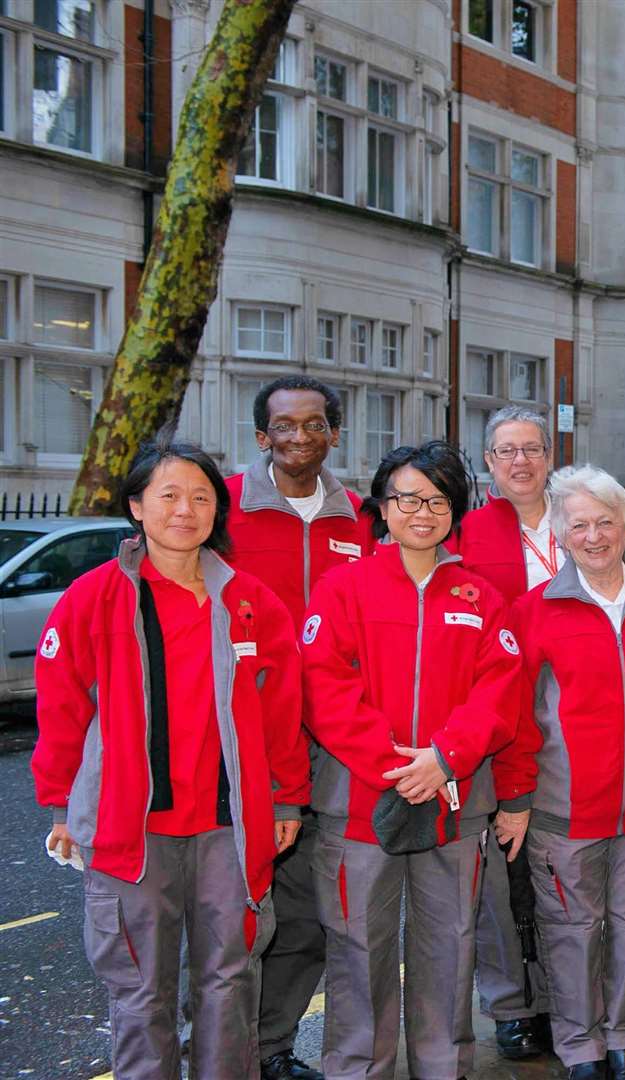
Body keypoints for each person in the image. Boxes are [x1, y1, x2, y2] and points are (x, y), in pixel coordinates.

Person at [33, 439, 307, 1080]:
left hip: (227, 827)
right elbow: (62, 707)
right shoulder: (94, 597)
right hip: (131, 828)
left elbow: (282, 711)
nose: (187, 509)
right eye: (169, 495)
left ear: (218, 511)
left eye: (202, 497)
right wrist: (61, 805)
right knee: (139, 988)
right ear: (136, 506)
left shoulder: (249, 601)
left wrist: (288, 796)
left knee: (229, 981)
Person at [300, 441, 525, 1080]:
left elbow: (499, 692)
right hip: (358, 804)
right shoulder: (343, 589)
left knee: (448, 950)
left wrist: (444, 760)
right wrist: (394, 764)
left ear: (455, 509)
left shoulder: (481, 599)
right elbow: (324, 686)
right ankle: (356, 1071)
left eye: (437, 499)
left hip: (456, 806)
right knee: (357, 952)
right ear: (381, 506)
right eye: (406, 498)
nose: (421, 512)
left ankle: (441, 1068)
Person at [500, 466, 625, 1080]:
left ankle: (624, 1037)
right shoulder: (532, 612)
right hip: (565, 810)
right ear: (560, 534)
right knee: (573, 931)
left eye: (605, 521)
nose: (593, 535)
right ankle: (580, 1044)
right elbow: (516, 718)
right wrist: (516, 796)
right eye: (578, 524)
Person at [226, 375, 371, 1080]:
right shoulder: (217, 507)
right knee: (234, 918)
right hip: (240, 744)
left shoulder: (364, 522)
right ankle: (221, 1051)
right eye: (285, 425)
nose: (300, 437)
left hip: (331, 748)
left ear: (334, 434)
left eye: (315, 424)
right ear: (262, 437)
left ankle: (270, 1048)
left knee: (312, 915)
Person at [453, 406, 559, 1062]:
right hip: (494, 716)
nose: (519, 462)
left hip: (571, 716)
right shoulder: (465, 533)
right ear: (488, 464)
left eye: (531, 449)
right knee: (498, 875)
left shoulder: (582, 519)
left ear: (550, 455)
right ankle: (511, 1003)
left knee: (559, 870)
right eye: (505, 451)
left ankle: (558, 992)